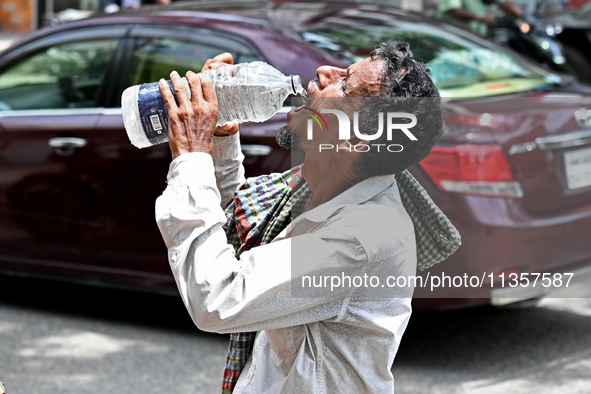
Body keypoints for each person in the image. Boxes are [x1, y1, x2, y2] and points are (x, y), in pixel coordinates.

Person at [155, 41, 461, 393]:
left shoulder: (363, 235)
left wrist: (192, 156)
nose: (323, 73)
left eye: (344, 84)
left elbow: (219, 297)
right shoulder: (316, 187)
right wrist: (221, 136)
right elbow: (235, 229)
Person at [438, 0, 524, 36]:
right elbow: (455, 11)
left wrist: (519, 13)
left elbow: (506, 4)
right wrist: (481, 18)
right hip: (451, 36)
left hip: (476, 36)